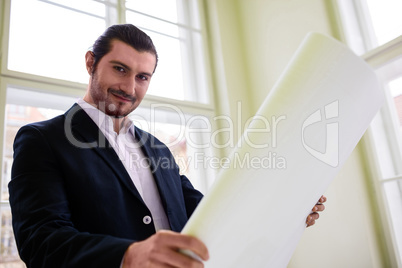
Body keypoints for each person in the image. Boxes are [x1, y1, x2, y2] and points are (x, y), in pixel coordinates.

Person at [9, 24, 326, 268]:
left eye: (143, 77)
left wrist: (287, 209)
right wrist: (130, 255)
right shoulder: (43, 140)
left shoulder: (158, 148)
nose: (130, 87)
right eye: (120, 69)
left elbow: (210, 213)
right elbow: (40, 241)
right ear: (91, 62)